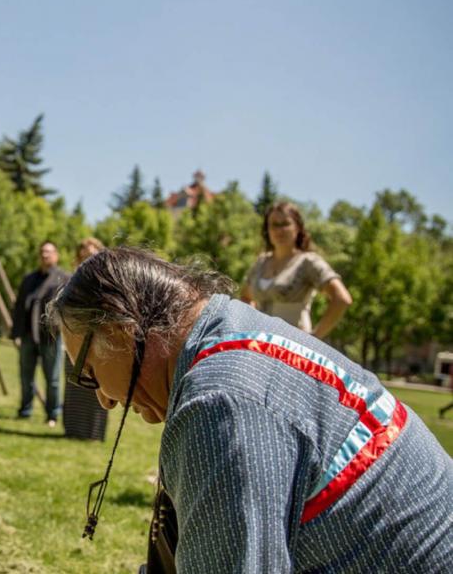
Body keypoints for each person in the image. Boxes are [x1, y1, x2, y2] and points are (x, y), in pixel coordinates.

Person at [49, 247, 452, 572]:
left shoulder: (219, 402)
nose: (102, 397)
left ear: (121, 329)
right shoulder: (229, 325)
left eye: (87, 372)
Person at [241, 202, 352, 338]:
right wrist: (250, 326)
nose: (279, 230)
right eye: (274, 224)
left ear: (298, 227)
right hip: (259, 346)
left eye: (285, 224)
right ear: (267, 230)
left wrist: (315, 337)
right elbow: (245, 297)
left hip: (293, 348)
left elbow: (342, 299)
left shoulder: (308, 262)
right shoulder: (261, 262)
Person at [10, 241, 70, 426]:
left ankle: (52, 414)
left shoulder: (64, 279)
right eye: (42, 252)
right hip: (28, 335)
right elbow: (19, 307)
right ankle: (25, 411)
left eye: (49, 252)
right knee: (26, 377)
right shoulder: (29, 279)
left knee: (52, 379)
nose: (45, 255)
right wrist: (16, 334)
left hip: (50, 337)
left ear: (56, 255)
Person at [62, 237, 109, 440]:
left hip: (99, 339)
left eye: (91, 255)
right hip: (76, 336)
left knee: (97, 383)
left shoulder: (107, 281)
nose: (87, 259)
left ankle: (93, 433)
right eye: (83, 256)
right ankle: (73, 430)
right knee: (75, 382)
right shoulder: (72, 281)